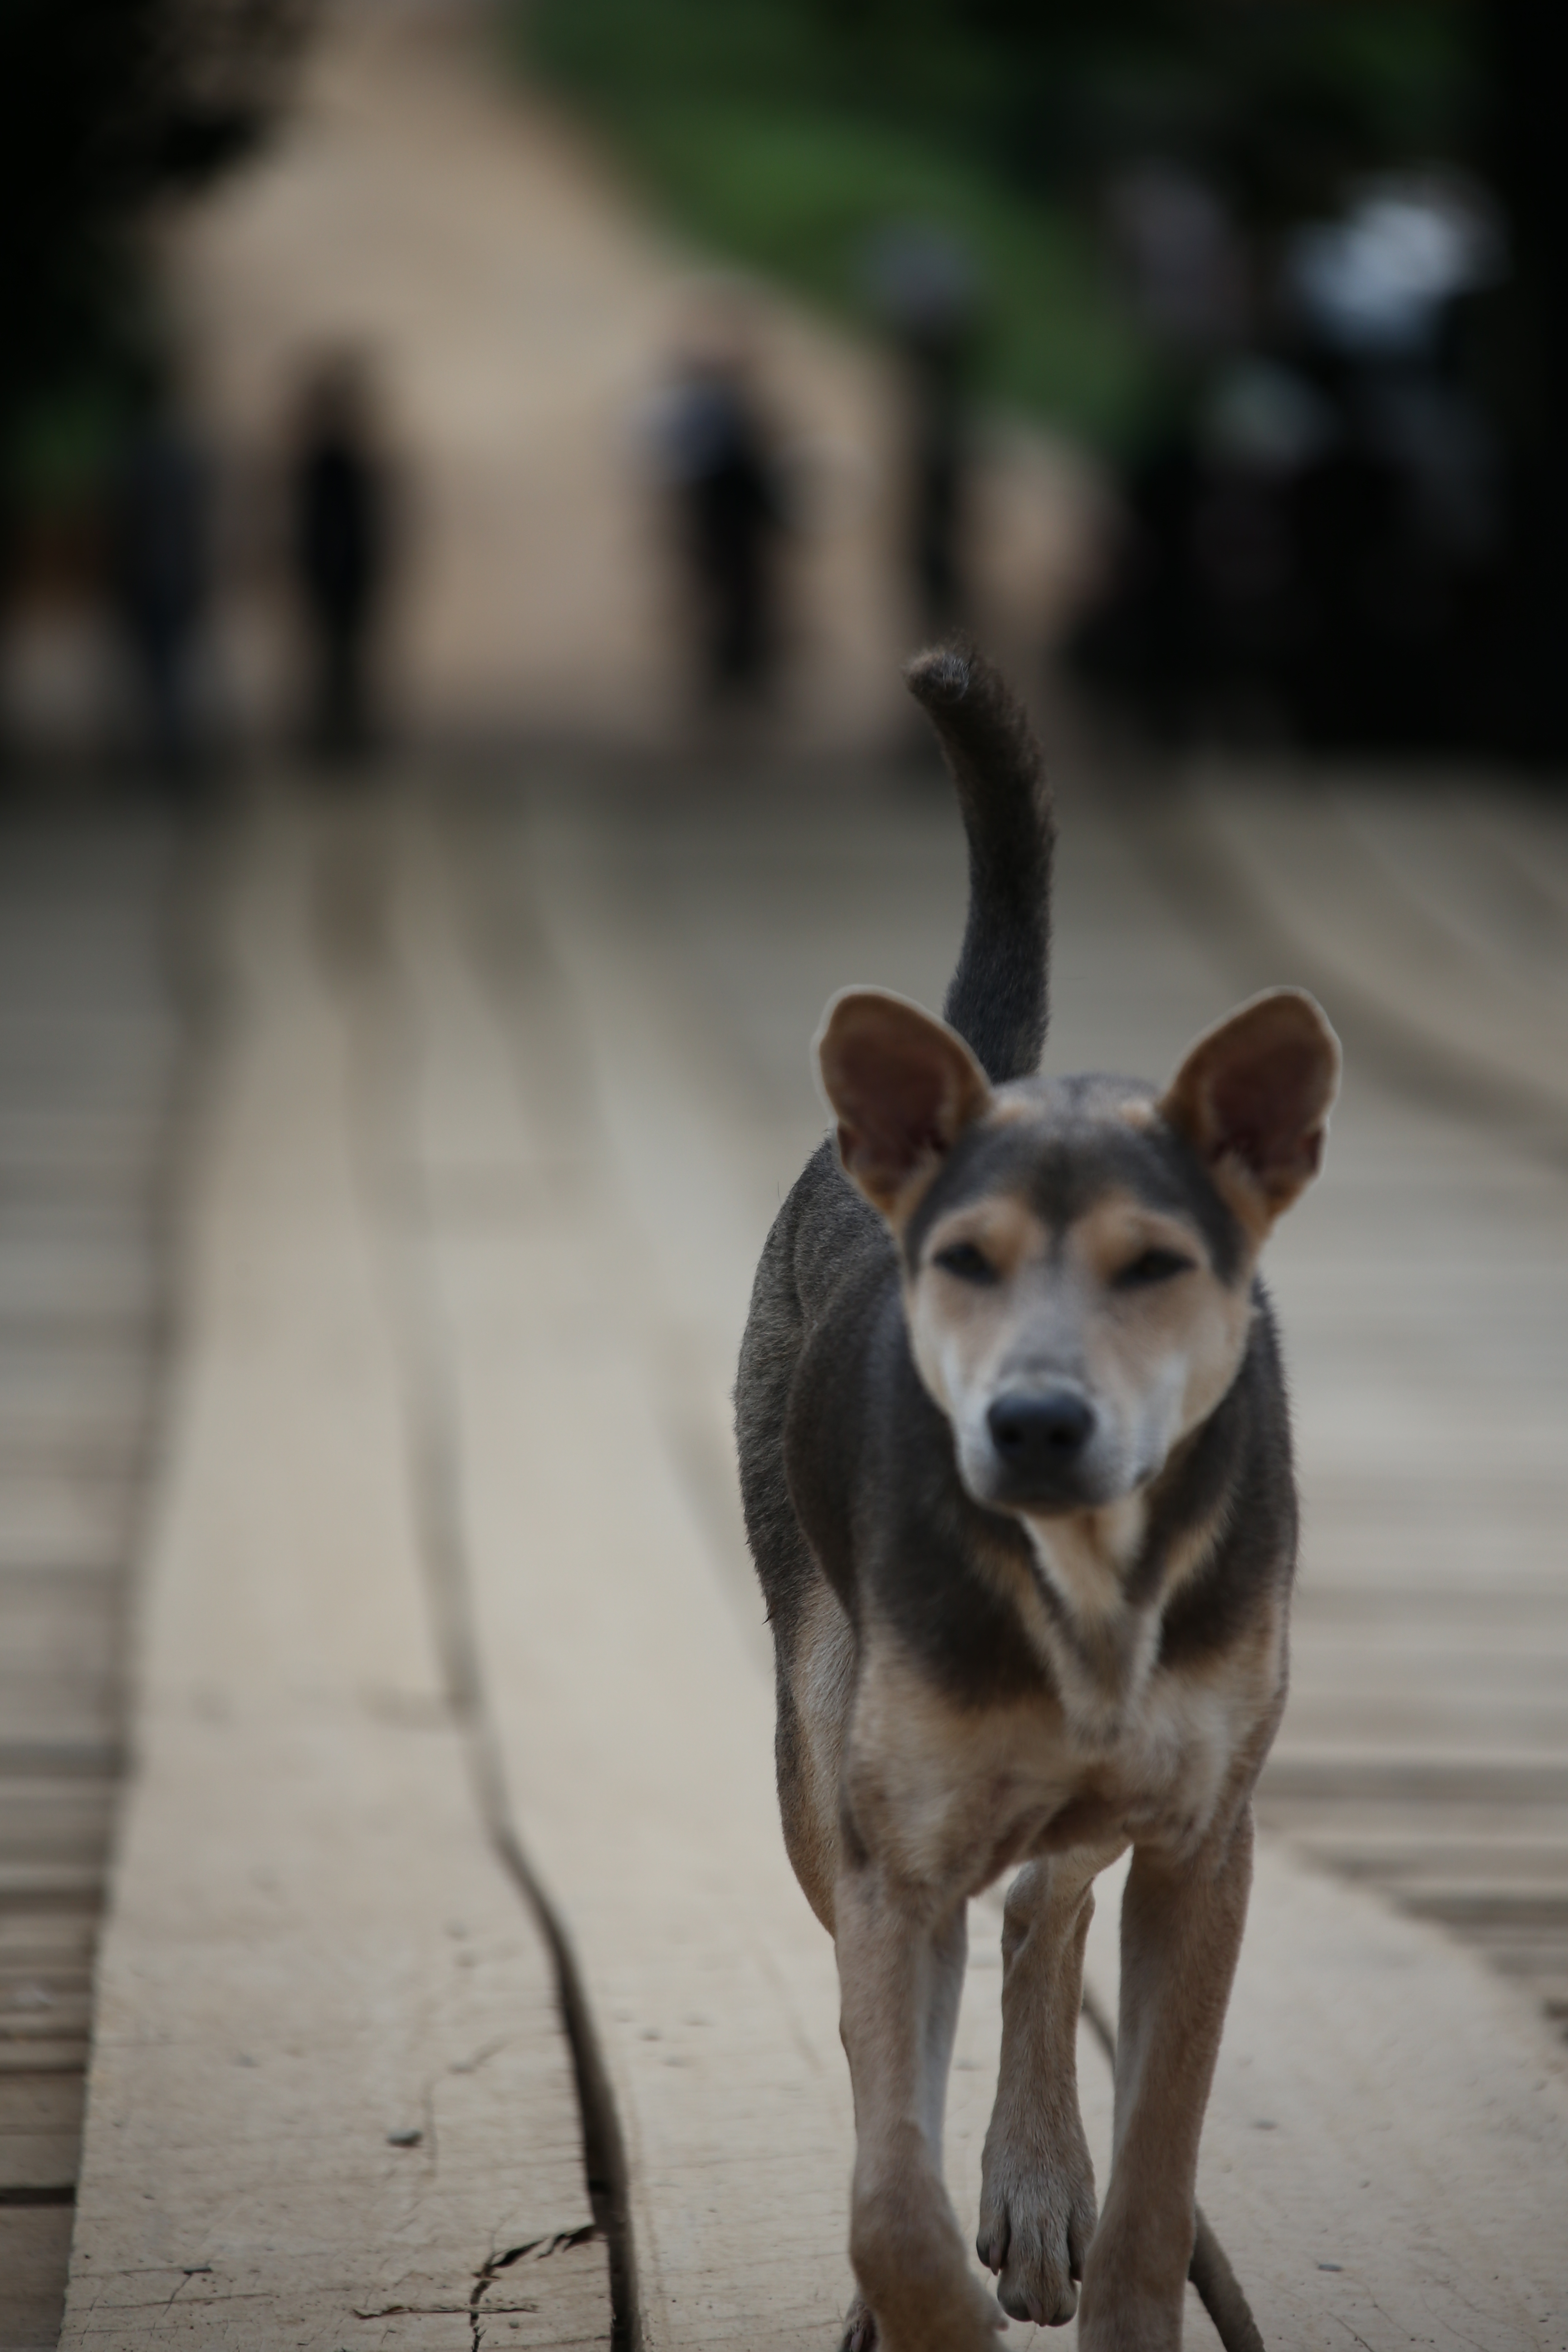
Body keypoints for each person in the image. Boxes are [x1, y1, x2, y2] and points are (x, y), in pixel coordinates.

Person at [647, 317, 785, 701]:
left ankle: (740, 675)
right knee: (720, 596)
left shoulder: (729, 415)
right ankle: (728, 676)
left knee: (738, 597)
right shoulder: (711, 415)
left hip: (734, 523)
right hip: (719, 523)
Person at [291, 353, 389, 758]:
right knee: (338, 659)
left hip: (343, 572)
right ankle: (341, 736)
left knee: (341, 659)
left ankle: (343, 736)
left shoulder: (337, 462)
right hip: (340, 572)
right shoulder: (333, 462)